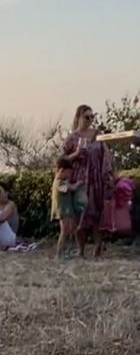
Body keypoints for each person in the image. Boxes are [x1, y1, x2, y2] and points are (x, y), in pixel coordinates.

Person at [62, 105, 115, 258]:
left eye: (92, 117)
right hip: (79, 180)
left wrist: (109, 175)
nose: (90, 120)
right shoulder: (72, 138)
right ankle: (81, 250)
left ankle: (98, 248)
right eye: (87, 116)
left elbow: (107, 156)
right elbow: (62, 160)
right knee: (81, 216)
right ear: (78, 117)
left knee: (97, 215)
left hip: (97, 180)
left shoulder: (98, 135)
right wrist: (76, 154)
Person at [52, 156, 81, 259]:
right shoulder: (59, 182)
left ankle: (69, 251)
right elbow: (69, 188)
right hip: (63, 209)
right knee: (64, 232)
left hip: (67, 208)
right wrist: (77, 184)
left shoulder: (61, 181)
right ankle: (59, 254)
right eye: (68, 173)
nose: (70, 175)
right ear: (61, 171)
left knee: (71, 229)